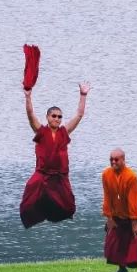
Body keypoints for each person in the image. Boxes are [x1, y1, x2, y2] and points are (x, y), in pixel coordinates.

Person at [20, 81, 91, 228]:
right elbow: (30, 114)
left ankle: (57, 214)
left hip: (60, 176)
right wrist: (28, 97)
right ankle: (33, 216)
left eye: (59, 116)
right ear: (47, 117)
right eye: (54, 116)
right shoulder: (41, 131)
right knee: (30, 192)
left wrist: (83, 95)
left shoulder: (64, 132)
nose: (57, 119)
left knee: (69, 204)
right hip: (42, 174)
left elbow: (79, 115)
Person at [102, 149, 137, 272]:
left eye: (116, 159)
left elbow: (132, 200)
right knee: (117, 239)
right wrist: (109, 217)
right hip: (118, 211)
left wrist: (134, 222)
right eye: (111, 159)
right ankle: (122, 269)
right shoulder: (106, 174)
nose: (113, 162)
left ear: (123, 160)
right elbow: (107, 196)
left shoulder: (131, 176)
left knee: (136, 238)